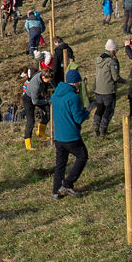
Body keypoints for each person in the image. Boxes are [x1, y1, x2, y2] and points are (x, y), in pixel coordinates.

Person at [50, 69, 90, 198]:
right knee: (82, 156)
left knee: (60, 163)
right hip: (71, 136)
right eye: (78, 82)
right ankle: (68, 183)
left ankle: (56, 190)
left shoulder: (55, 95)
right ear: (74, 83)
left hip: (58, 136)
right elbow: (78, 118)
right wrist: (87, 112)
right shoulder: (73, 97)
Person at [92, 40, 124, 137]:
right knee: (108, 110)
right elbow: (115, 77)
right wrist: (125, 81)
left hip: (98, 89)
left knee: (99, 108)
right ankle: (103, 130)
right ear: (112, 50)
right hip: (108, 90)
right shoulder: (111, 61)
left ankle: (95, 127)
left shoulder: (99, 59)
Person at [22, 69, 53, 151]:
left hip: (37, 96)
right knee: (31, 121)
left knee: (49, 111)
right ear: (43, 77)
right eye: (47, 80)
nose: (48, 82)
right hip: (28, 99)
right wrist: (47, 100)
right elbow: (35, 102)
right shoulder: (36, 85)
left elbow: (49, 83)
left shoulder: (44, 75)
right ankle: (28, 143)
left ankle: (40, 132)